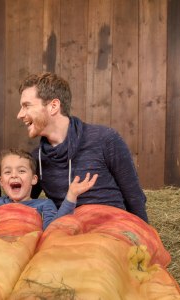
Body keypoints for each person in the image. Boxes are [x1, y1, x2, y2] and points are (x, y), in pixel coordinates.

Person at [16, 72, 149, 223]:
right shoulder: (37, 159)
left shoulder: (105, 139)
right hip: (69, 235)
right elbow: (23, 204)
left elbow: (134, 195)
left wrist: (145, 237)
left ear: (53, 106)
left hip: (112, 230)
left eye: (26, 106)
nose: (19, 115)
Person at [0, 149, 97, 230]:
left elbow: (53, 228)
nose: (14, 175)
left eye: (21, 171)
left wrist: (71, 195)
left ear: (34, 179)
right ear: (1, 181)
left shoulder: (43, 205)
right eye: (7, 172)